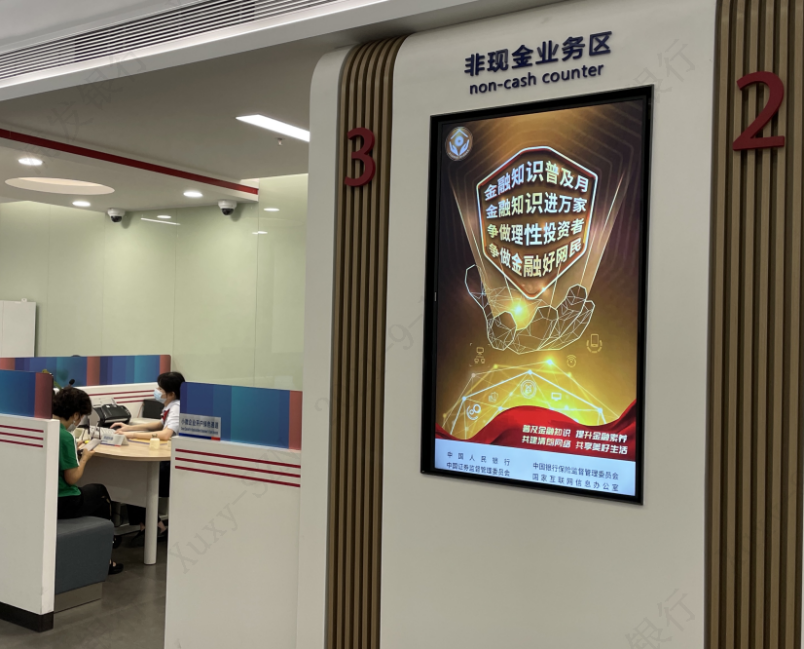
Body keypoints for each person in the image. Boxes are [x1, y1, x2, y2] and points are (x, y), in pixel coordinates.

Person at [55, 387, 123, 575]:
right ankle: (106, 555)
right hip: (65, 502)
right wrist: (84, 458)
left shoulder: (46, 429)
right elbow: (71, 479)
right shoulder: (65, 436)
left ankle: (108, 542)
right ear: (76, 414)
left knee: (93, 491)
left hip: (48, 498)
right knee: (100, 492)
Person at [112, 371, 185, 545]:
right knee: (133, 480)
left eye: (160, 389)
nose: (157, 391)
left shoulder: (176, 407)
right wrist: (128, 428)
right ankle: (151, 526)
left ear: (171, 393)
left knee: (135, 482)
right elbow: (160, 424)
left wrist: (132, 435)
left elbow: (165, 434)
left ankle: (154, 527)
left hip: (172, 466)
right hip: (166, 460)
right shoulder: (170, 405)